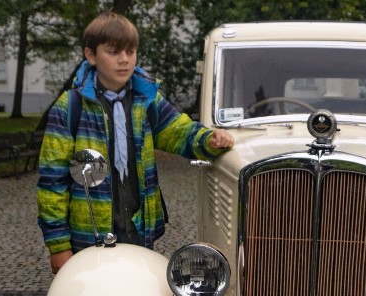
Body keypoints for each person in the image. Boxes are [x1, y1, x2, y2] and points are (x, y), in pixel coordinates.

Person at [37, 12, 234, 274]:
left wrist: (209, 140)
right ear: (91, 55)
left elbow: (179, 131)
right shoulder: (70, 107)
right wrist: (59, 245)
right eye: (114, 51)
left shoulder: (146, 99)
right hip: (88, 235)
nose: (124, 59)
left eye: (131, 51)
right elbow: (52, 181)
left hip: (138, 229)